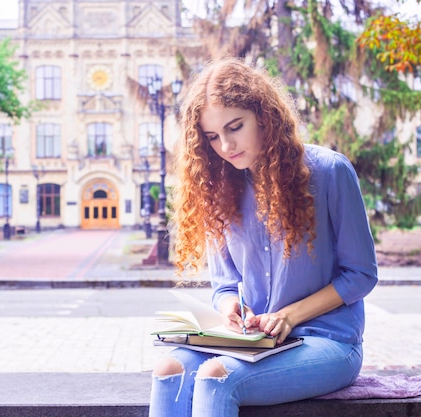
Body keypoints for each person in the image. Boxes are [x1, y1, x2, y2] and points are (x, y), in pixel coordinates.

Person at [148, 57, 378, 417]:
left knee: (216, 376)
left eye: (234, 127)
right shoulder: (219, 189)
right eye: (212, 137)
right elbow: (225, 285)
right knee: (168, 369)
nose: (224, 145)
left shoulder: (330, 172)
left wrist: (288, 315)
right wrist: (232, 310)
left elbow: (361, 275)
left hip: (328, 342)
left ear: (264, 116)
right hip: (255, 342)